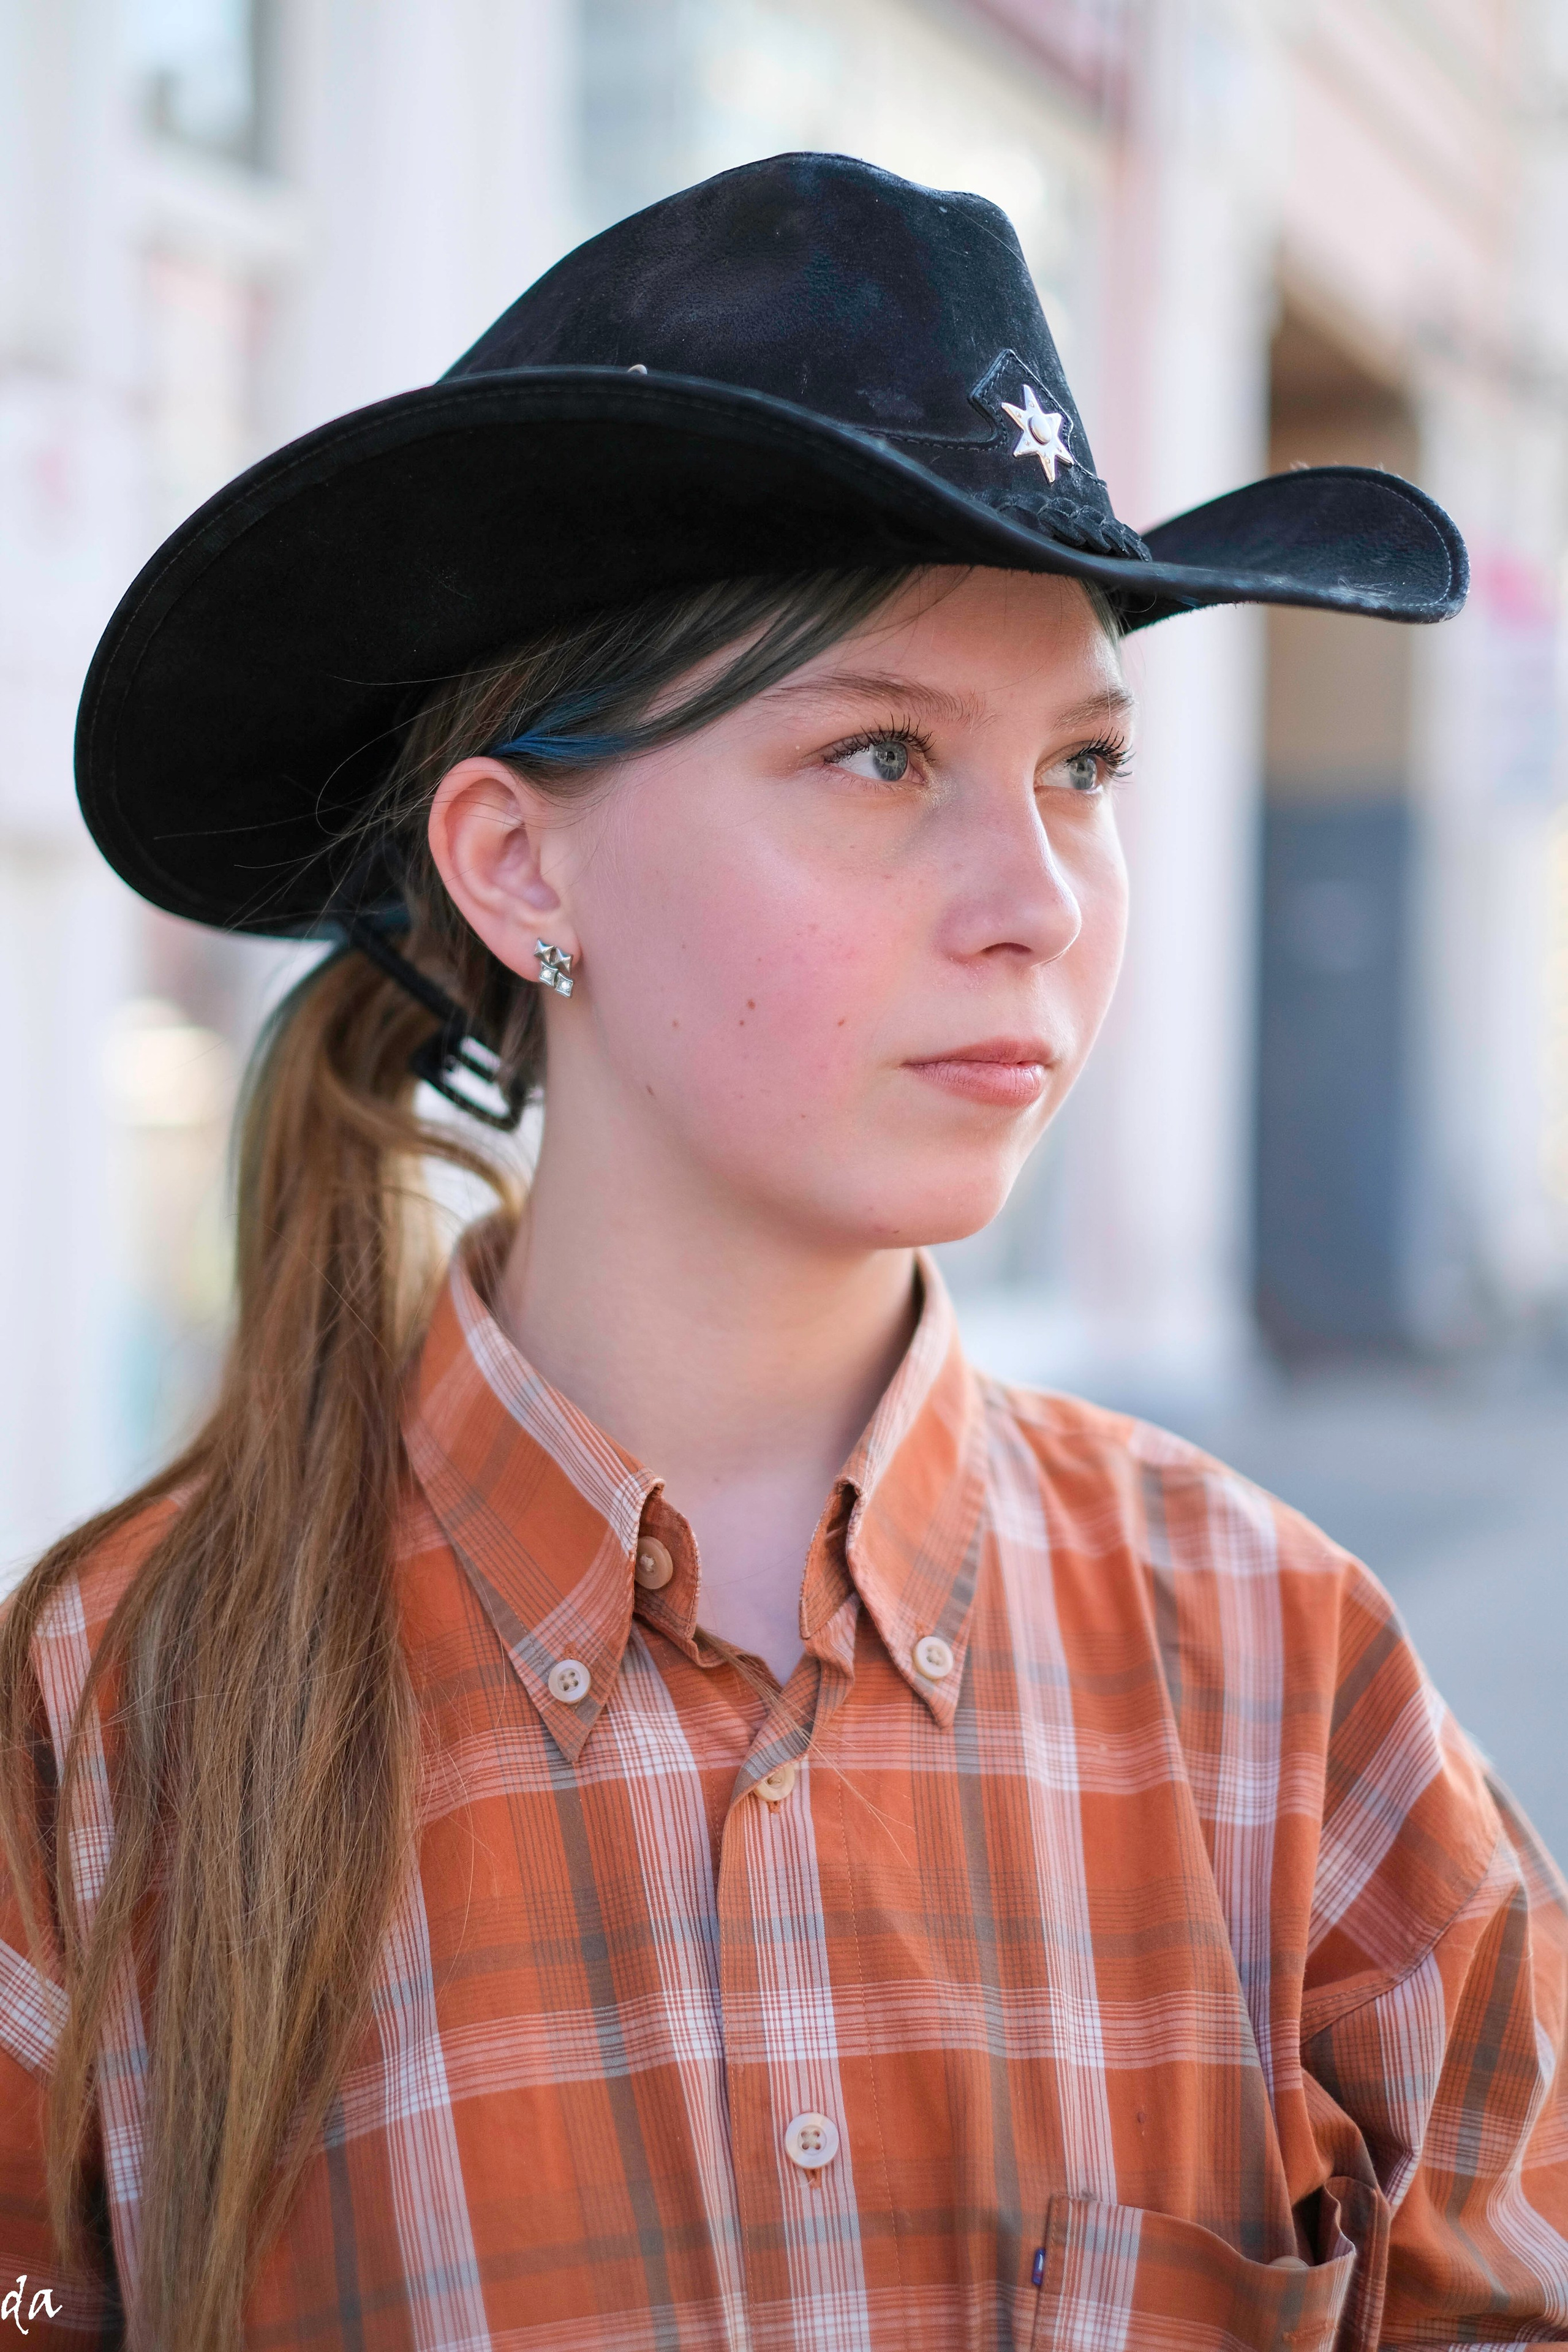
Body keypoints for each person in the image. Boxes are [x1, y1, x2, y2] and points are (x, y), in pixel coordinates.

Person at [1, 152, 1562, 2352]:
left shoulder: (1294, 1691)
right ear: (519, 867)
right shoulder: (111, 1720)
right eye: (883, 753)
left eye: (1086, 767)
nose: (1035, 895)